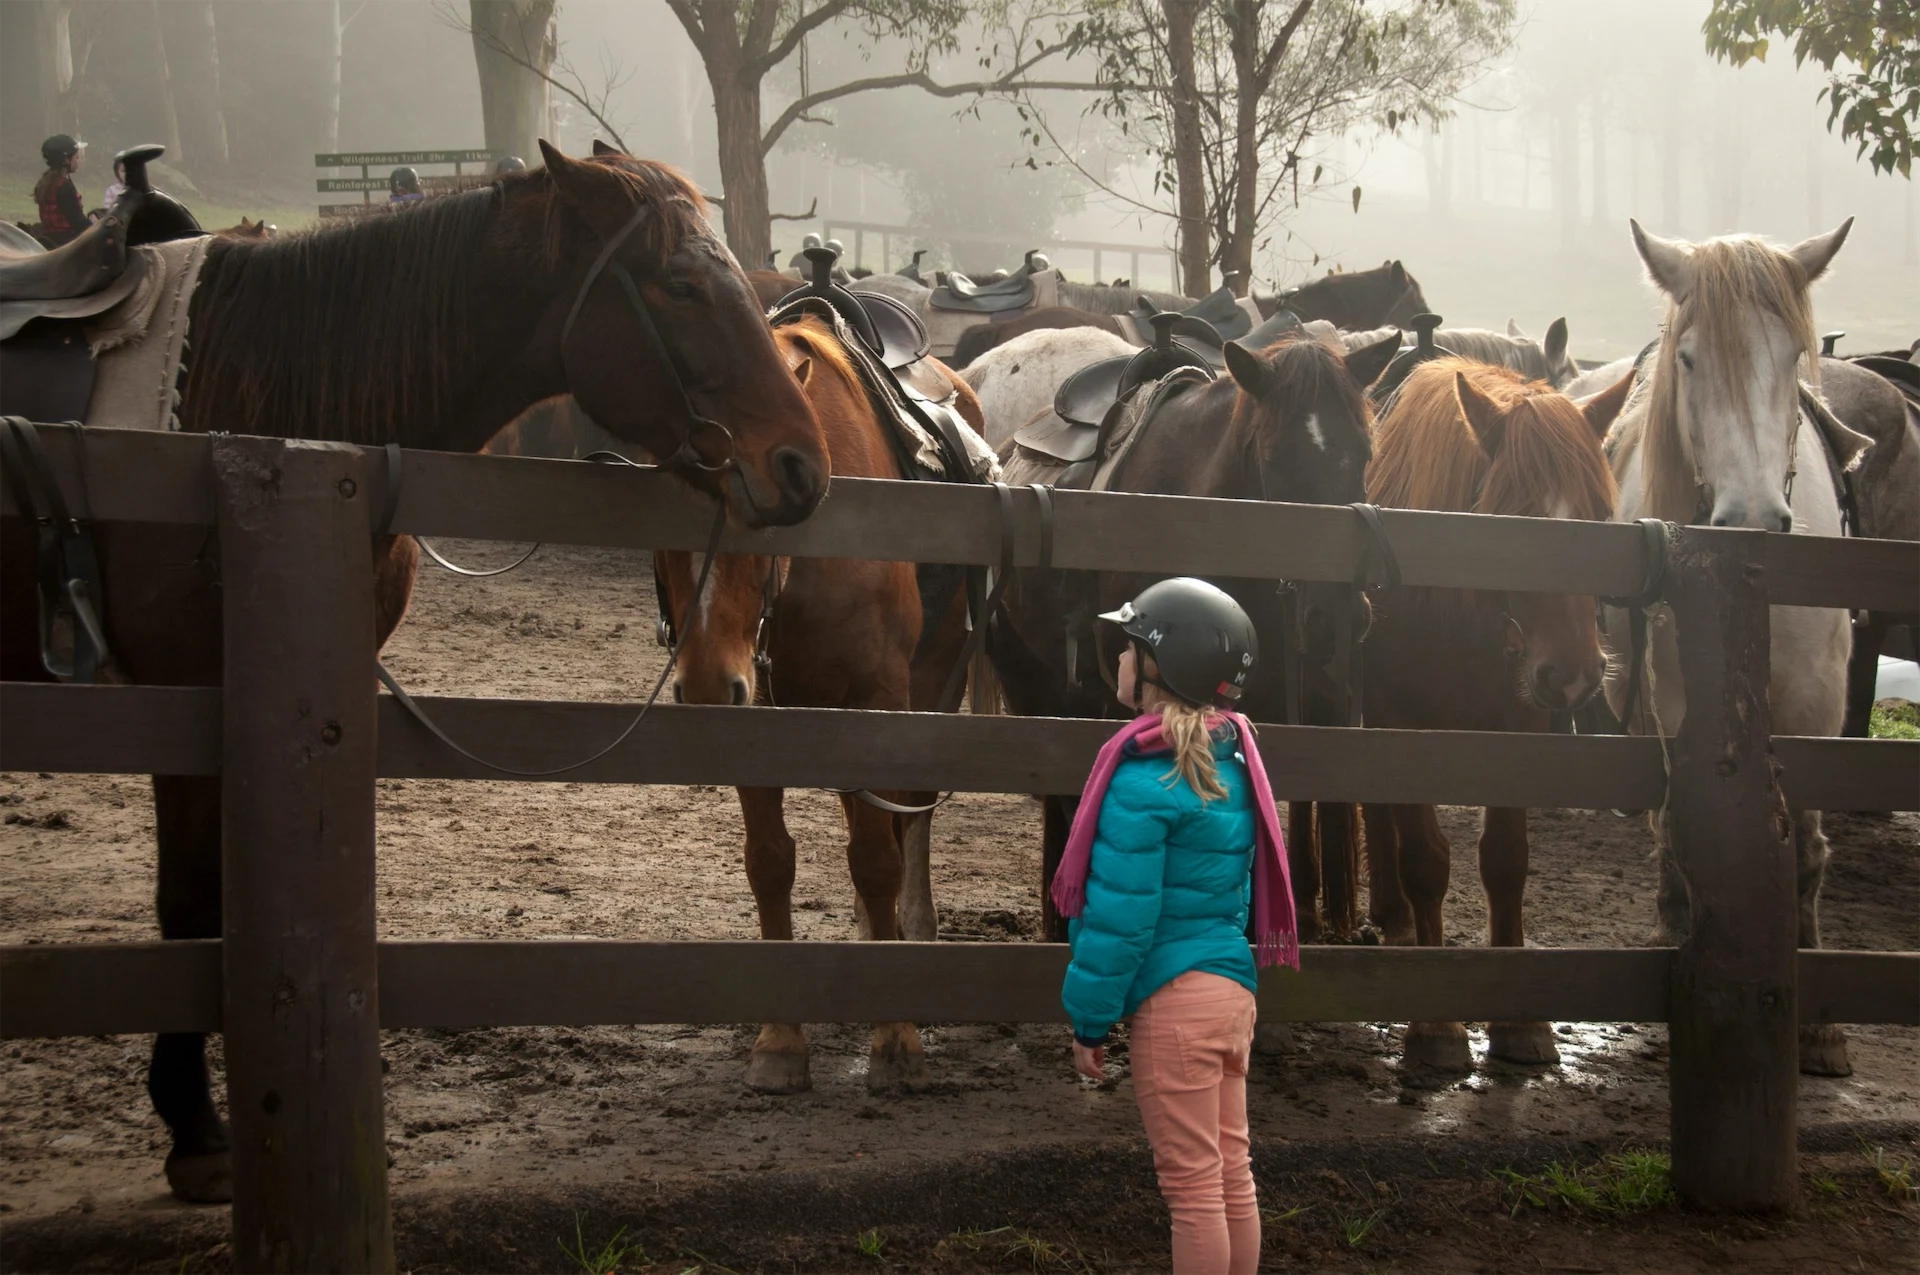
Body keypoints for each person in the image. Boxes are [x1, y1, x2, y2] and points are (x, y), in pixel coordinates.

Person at [1055, 577, 1298, 1275]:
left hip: (1174, 1003)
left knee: (1192, 1192)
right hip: (1231, 991)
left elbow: (1121, 922)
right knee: (1230, 1172)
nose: (1120, 660)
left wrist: (1090, 1022)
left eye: (1130, 648)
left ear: (1159, 668)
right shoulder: (1234, 763)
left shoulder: (1142, 781)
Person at [34, 134, 89, 246]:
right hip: (67, 240)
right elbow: (77, 220)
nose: (79, 161)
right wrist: (96, 228)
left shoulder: (47, 180)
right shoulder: (64, 187)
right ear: (65, 160)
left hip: (50, 236)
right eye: (76, 158)